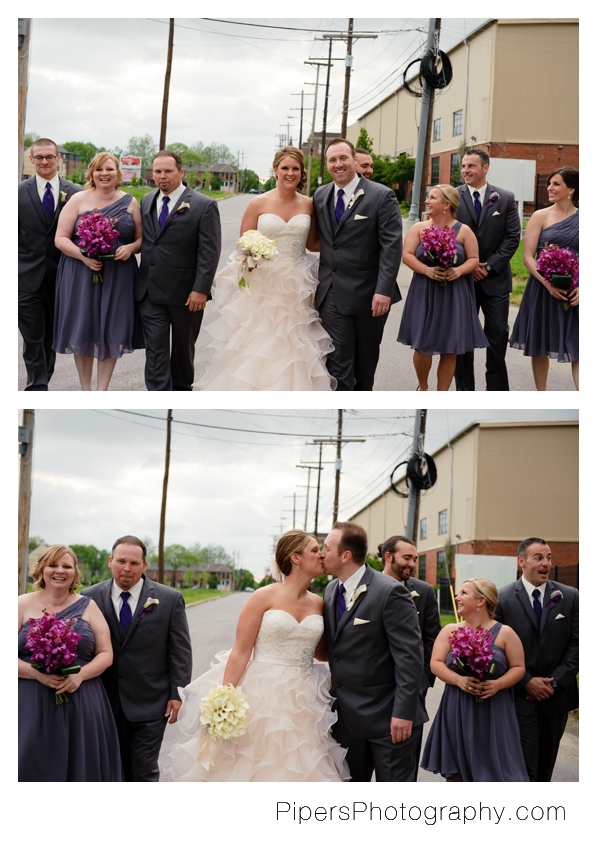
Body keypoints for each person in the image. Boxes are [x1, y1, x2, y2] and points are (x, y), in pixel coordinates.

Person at [159, 530, 350, 781]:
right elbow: (240, 651)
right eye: (315, 550)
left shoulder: (319, 602)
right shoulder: (263, 596)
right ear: (295, 558)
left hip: (304, 697)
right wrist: (224, 700)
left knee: (300, 763)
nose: (322, 555)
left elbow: (322, 652)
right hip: (261, 692)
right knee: (248, 761)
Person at [197, 146, 335, 390]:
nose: (290, 173)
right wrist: (250, 257)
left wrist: (348, 247)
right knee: (260, 337)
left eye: (295, 169)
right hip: (264, 280)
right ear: (275, 170)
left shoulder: (309, 204)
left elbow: (313, 243)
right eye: (285, 168)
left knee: (295, 338)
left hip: (298, 281)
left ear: (302, 172)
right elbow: (243, 241)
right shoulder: (258, 203)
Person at [81, 535, 192, 781]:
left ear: (144, 565)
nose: (127, 568)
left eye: (134, 563)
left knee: (143, 771)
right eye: (121, 561)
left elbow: (180, 652)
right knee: (109, 770)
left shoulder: (169, 599)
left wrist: (178, 694)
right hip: (103, 701)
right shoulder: (88, 597)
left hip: (150, 703)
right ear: (110, 561)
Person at [322, 522, 426, 781]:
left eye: (326, 548)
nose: (322, 554)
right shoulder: (330, 591)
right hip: (346, 720)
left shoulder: (390, 592)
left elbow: (410, 659)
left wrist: (403, 713)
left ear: (345, 555)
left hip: (389, 720)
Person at [18, 545, 123, 781]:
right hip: (29, 701)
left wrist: (80, 675)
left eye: (67, 566)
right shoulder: (20, 605)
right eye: (53, 565)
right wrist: (36, 674)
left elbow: (106, 654)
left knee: (80, 766)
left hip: (81, 700)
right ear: (41, 570)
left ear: (75, 573)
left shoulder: (89, 606)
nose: (60, 571)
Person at [313, 138, 402, 391]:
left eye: (343, 158)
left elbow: (391, 247)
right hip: (331, 292)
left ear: (354, 160)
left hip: (369, 294)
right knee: (338, 362)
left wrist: (383, 290)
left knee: (365, 364)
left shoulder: (381, 195)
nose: (338, 164)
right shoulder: (320, 195)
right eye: (332, 160)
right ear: (327, 164)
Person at [420, 578, 529, 781]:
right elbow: (435, 663)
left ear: (481, 601)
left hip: (494, 709)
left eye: (463, 593)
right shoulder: (450, 630)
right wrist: (458, 680)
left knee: (497, 773)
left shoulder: (505, 633)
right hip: (457, 708)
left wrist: (498, 684)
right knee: (456, 776)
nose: (457, 597)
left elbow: (519, 668)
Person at [53, 152, 142, 391]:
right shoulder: (78, 200)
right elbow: (60, 238)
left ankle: (102, 390)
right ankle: (86, 389)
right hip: (80, 274)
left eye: (110, 169)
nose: (105, 174)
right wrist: (82, 256)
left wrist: (131, 248)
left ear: (118, 173)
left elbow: (141, 239)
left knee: (111, 328)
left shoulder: (131, 202)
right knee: (83, 327)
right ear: (92, 173)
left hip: (118, 275)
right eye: (99, 169)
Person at [136, 150, 221, 391]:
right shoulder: (146, 200)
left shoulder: (204, 205)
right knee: (155, 354)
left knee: (183, 354)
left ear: (181, 173)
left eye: (168, 171)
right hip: (150, 293)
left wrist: (200, 289)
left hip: (187, 295)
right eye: (158, 172)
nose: (162, 176)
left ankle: (181, 393)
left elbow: (209, 252)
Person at [495, 538, 579, 782]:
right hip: (519, 698)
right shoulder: (503, 598)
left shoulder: (570, 597)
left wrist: (554, 683)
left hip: (557, 697)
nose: (546, 563)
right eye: (539, 558)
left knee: (545, 769)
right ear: (522, 562)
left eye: (549, 557)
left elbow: (578, 644)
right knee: (522, 766)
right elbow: (497, 650)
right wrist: (526, 681)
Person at [397, 184, 488, 390]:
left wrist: (460, 270)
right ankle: (423, 386)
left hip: (454, 293)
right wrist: (426, 270)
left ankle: (442, 393)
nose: (427, 201)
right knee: (423, 346)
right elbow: (407, 255)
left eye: (432, 198)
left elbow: (474, 259)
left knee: (450, 348)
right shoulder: (419, 228)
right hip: (424, 291)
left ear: (446, 204)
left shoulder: (464, 231)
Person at [453, 148, 520, 391]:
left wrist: (489, 266)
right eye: (463, 166)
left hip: (496, 281)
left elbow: (512, 237)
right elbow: (445, 233)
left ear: (485, 168)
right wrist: (468, 266)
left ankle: (497, 391)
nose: (465, 171)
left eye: (471, 166)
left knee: (498, 335)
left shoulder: (505, 198)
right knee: (462, 338)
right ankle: (465, 391)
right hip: (462, 281)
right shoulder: (454, 197)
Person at [18, 138, 83, 390]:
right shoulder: (15, 193)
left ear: (59, 159)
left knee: (51, 338)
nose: (44, 161)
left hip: (64, 278)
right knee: (33, 338)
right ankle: (37, 387)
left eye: (49, 156)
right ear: (31, 160)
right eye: (39, 157)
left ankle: (43, 382)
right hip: (25, 279)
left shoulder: (76, 193)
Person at [509, 167, 579, 390]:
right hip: (542, 288)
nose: (550, 187)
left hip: (576, 290)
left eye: (556, 184)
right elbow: (529, 257)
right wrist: (548, 284)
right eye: (549, 183)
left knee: (580, 346)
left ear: (571, 189)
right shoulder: (540, 216)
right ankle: (541, 393)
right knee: (540, 343)